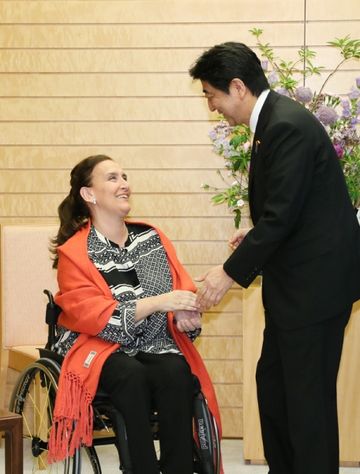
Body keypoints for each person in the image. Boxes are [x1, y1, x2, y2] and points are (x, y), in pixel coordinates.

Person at [189, 42, 360, 474]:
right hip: (300, 288)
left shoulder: (286, 125)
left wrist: (227, 275)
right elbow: (293, 208)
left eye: (211, 95)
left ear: (237, 86)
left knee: (307, 405)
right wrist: (254, 236)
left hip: (315, 290)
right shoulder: (274, 124)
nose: (212, 108)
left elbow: (282, 216)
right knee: (276, 390)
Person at [47, 154, 222, 474]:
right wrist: (159, 303)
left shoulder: (151, 237)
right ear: (89, 194)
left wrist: (184, 313)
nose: (124, 184)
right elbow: (93, 316)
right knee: (130, 374)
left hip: (154, 340)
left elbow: (179, 286)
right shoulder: (75, 253)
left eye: (124, 176)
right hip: (96, 344)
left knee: (175, 372)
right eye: (112, 178)